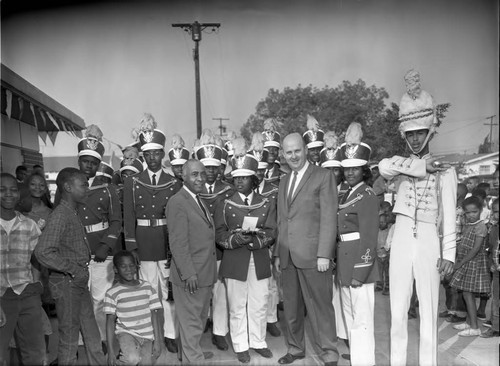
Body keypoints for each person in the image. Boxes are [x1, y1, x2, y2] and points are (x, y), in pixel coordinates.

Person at [379, 69, 456, 366]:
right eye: (409, 134)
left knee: (427, 311)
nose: (414, 139)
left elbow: (449, 215)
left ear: (430, 132)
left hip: (427, 242)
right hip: (399, 239)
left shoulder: (446, 170)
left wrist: (448, 253)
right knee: (396, 311)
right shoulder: (399, 164)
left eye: (420, 133)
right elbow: (383, 167)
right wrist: (421, 168)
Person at [273, 133, 339, 366]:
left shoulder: (323, 176)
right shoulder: (283, 181)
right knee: (291, 306)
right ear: (283, 154)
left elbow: (329, 218)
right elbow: (283, 219)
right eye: (288, 152)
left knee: (320, 306)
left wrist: (324, 253)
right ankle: (295, 348)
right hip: (288, 255)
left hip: (314, 256)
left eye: (297, 151)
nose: (293, 156)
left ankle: (329, 352)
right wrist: (278, 254)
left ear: (306, 150)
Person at [123, 114, 182, 354]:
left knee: (169, 292)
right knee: (146, 292)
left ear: (163, 153)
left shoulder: (173, 182)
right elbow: (129, 216)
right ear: (143, 156)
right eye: (148, 154)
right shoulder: (133, 182)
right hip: (144, 243)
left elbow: (177, 219)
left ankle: (170, 334)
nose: (153, 158)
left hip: (166, 243)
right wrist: (131, 247)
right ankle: (148, 333)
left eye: (157, 153)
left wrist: (176, 248)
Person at [214, 137, 277, 363]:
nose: (239, 181)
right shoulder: (225, 202)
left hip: (259, 257)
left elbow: (271, 230)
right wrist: (235, 239)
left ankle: (258, 341)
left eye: (244, 178)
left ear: (254, 179)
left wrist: (257, 241)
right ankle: (240, 344)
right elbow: (219, 233)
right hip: (235, 258)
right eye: (236, 177)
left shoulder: (266, 202)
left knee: (260, 302)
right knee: (237, 304)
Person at [34, 167, 106, 365]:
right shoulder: (61, 215)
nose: (87, 188)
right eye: (83, 184)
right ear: (67, 187)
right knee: (69, 337)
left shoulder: (71, 212)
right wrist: (74, 269)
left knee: (91, 331)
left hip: (76, 282)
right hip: (67, 283)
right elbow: (43, 252)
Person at [165, 159, 217, 363]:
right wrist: (189, 273)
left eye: (203, 174)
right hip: (191, 276)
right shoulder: (178, 201)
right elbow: (177, 243)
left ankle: (187, 353)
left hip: (203, 273)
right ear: (183, 176)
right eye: (194, 174)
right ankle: (193, 359)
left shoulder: (197, 199)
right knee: (192, 324)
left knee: (196, 321)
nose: (200, 178)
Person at [75, 125, 123, 346]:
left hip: (101, 251)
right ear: (79, 161)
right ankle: (79, 342)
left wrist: (107, 245)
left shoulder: (108, 189)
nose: (89, 165)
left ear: (98, 164)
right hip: (76, 251)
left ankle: (103, 339)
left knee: (101, 299)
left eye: (93, 162)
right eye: (85, 161)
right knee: (78, 297)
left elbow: (116, 221)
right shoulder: (69, 186)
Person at [336, 122, 379, 366]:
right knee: (351, 317)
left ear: (364, 170)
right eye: (347, 169)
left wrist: (359, 273)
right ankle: (358, 356)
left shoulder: (367, 195)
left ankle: (364, 361)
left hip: (358, 267)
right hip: (344, 263)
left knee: (362, 319)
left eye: (355, 168)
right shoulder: (347, 193)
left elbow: (369, 238)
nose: (350, 172)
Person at [0, 173, 46, 366]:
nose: (8, 194)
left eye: (13, 190)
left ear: (19, 194)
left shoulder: (30, 225)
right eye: (2, 190)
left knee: (34, 353)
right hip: (2, 297)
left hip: (27, 295)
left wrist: (35, 282)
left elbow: (36, 258)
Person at [194, 129, 233, 352]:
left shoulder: (228, 190)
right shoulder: (190, 189)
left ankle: (220, 332)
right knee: (199, 292)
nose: (209, 171)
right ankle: (197, 331)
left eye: (213, 167)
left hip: (221, 251)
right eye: (205, 167)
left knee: (220, 293)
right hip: (199, 251)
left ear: (220, 168)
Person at [248, 132, 281, 337]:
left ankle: (271, 319)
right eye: (256, 171)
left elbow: (277, 218)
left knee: (271, 284)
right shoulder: (244, 189)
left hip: (269, 241)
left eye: (262, 171)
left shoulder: (274, 189)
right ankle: (255, 321)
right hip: (250, 240)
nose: (259, 175)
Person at [104, 250, 162, 365]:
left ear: (136, 267)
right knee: (132, 359)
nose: (129, 269)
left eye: (131, 265)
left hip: (147, 335)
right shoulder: (112, 293)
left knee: (147, 362)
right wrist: (110, 351)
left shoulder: (148, 288)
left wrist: (158, 341)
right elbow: (110, 321)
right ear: (116, 269)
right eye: (123, 266)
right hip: (126, 333)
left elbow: (154, 316)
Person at [449, 196, 491, 336]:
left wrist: (460, 263)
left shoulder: (481, 226)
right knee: (466, 293)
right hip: (467, 261)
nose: (471, 215)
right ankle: (469, 322)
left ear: (480, 211)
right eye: (467, 212)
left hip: (473, 263)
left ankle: (474, 327)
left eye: (474, 212)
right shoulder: (468, 225)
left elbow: (475, 249)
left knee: (468, 294)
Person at [481, 198, 499, 337]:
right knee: (496, 298)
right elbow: (492, 247)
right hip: (497, 269)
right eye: (495, 211)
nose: (496, 214)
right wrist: (491, 264)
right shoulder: (494, 228)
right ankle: (496, 326)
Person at [376, 213, 390, 294]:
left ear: (387, 222)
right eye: (380, 222)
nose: (381, 223)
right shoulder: (376, 231)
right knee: (379, 271)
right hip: (378, 254)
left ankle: (387, 286)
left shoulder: (389, 230)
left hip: (387, 255)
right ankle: (379, 285)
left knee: (387, 272)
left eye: (383, 222)